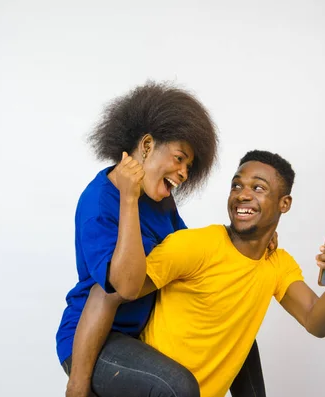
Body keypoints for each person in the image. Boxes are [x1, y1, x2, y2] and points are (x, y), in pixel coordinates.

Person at [66, 150, 325, 397]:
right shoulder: (195, 246)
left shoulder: (276, 263)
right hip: (150, 385)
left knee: (245, 341)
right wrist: (77, 389)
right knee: (180, 387)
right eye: (236, 186)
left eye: (258, 188)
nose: (242, 195)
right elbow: (105, 293)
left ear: (284, 204)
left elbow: (317, 321)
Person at [56, 82, 270, 397]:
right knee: (177, 387)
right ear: (146, 145)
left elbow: (192, 252)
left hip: (145, 329)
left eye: (189, 167)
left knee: (240, 336)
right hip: (97, 341)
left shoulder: (161, 201)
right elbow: (121, 288)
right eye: (179, 158)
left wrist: (257, 232)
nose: (184, 173)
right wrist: (128, 199)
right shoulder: (98, 205)